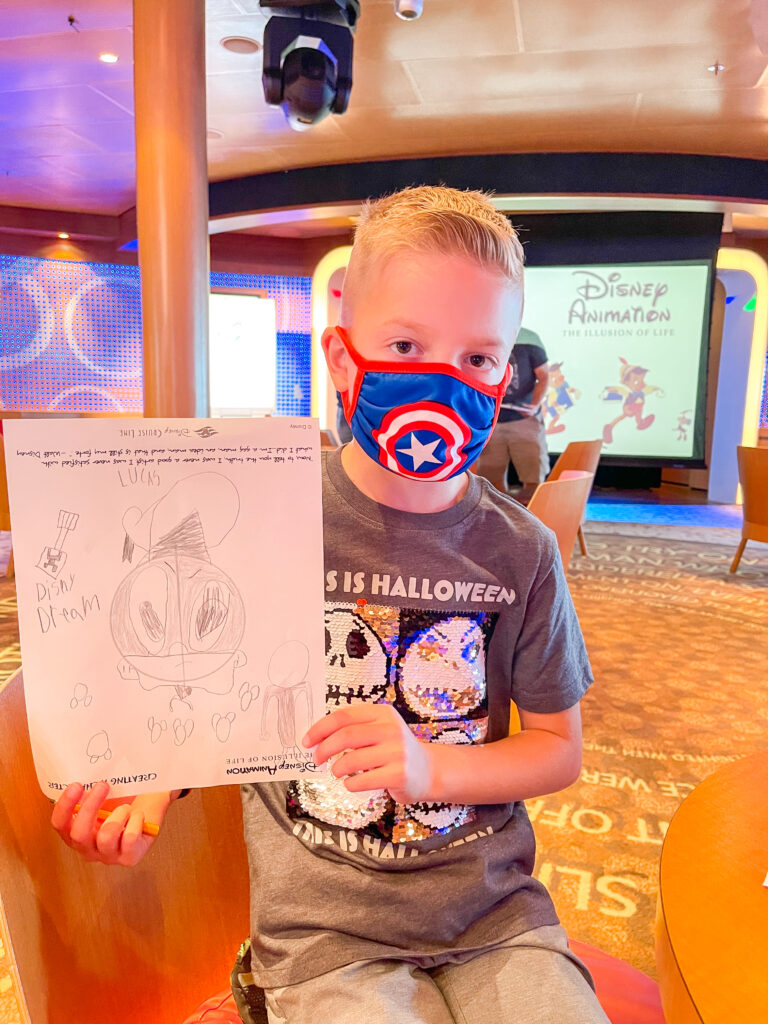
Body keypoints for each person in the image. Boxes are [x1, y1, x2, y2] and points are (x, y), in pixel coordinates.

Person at [51, 186, 609, 1024]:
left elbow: (556, 750)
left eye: (479, 358)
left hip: (497, 921)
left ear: (505, 376)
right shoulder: (265, 512)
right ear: (344, 360)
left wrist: (432, 768)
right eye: (407, 343)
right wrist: (149, 786)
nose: (443, 378)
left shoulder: (520, 550)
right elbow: (204, 687)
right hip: (324, 938)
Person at [474, 326, 550, 501]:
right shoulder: (482, 334)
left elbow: (544, 376)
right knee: (490, 479)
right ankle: (499, 522)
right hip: (491, 420)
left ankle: (534, 522)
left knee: (533, 475)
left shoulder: (529, 338)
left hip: (524, 420)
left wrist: (534, 405)